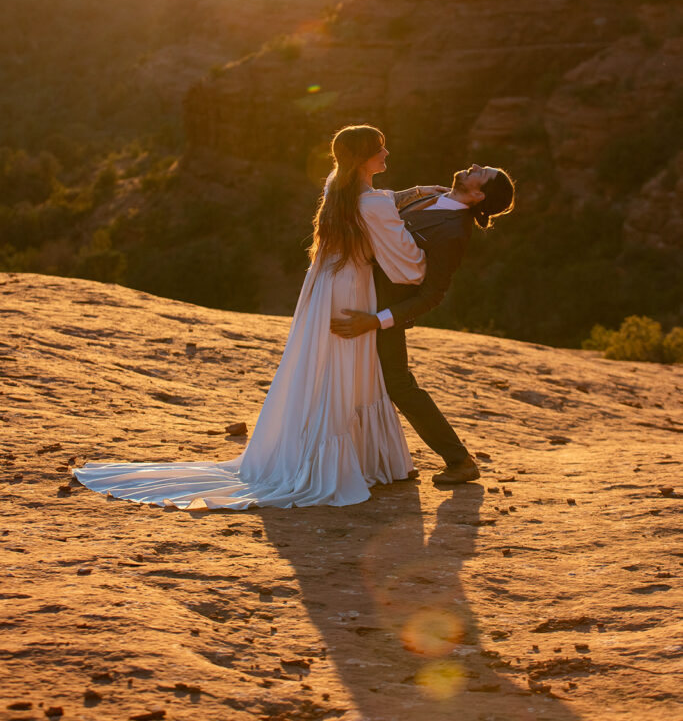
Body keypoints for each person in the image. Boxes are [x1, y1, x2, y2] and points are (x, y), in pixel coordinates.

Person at [73, 125, 445, 510]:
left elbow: (379, 203)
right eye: (379, 148)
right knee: (351, 368)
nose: (387, 153)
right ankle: (353, 463)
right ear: (364, 157)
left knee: (331, 366)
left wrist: (416, 192)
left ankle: (344, 457)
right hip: (354, 286)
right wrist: (431, 263)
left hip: (328, 286)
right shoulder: (372, 204)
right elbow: (408, 263)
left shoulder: (338, 186)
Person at [331, 164, 515, 487]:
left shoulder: (455, 233)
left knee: (398, 384)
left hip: (382, 307)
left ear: (479, 194)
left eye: (481, 172)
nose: (473, 165)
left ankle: (459, 460)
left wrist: (376, 320)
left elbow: (431, 296)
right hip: (358, 287)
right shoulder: (436, 195)